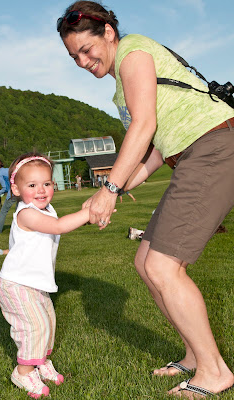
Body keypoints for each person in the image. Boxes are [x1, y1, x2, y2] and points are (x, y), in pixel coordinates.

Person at [57, 2, 234, 397]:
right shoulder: (122, 83)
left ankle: (214, 371)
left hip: (213, 146)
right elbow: (153, 150)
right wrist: (107, 194)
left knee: (163, 266)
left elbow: (144, 125)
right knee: (145, 261)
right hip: (188, 153)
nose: (83, 61)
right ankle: (193, 354)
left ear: (108, 33)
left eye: (87, 50)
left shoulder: (134, 51)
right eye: (74, 56)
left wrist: (112, 188)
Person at [0, 152, 90, 398]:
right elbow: (58, 227)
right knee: (33, 327)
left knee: (48, 323)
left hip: (35, 284)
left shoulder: (47, 209)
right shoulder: (26, 213)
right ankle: (23, 371)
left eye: (46, 183)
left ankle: (39, 361)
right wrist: (88, 214)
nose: (41, 190)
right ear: (15, 189)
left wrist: (87, 218)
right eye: (32, 185)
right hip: (17, 284)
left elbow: (58, 223)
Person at [0, 159, 16, 233]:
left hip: (12, 193)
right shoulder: (8, 170)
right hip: (20, 191)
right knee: (19, 210)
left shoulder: (0, 174)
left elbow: (5, 188)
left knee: (3, 212)